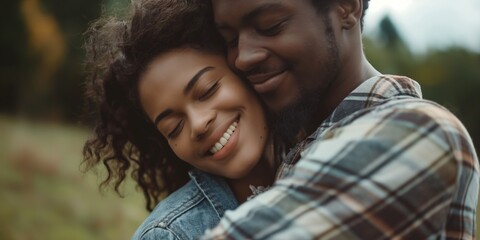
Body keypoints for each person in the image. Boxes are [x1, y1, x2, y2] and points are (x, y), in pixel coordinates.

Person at [202, 0, 479, 239]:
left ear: (347, 7)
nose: (242, 58)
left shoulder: (418, 130)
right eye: (230, 41)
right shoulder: (286, 143)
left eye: (270, 25)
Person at [81, 0, 278, 239]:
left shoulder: (328, 146)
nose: (198, 124)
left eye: (207, 90)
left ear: (241, 66)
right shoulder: (170, 235)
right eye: (173, 128)